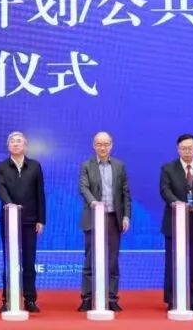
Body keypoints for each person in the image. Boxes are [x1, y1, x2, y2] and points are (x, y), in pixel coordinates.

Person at [78, 131, 131, 312]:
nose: (103, 147)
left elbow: (125, 193)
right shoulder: (87, 165)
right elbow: (83, 187)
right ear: (94, 145)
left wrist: (126, 216)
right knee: (90, 259)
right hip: (93, 217)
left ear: (111, 145)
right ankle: (87, 298)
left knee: (112, 261)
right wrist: (94, 203)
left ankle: (112, 298)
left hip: (113, 218)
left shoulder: (119, 166)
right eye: (99, 144)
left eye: (106, 144)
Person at [159, 134, 193, 313]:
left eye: (190, 148)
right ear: (178, 149)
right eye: (183, 148)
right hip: (174, 221)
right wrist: (176, 202)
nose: (187, 151)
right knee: (173, 263)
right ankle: (173, 300)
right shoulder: (168, 168)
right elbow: (164, 190)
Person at [0, 131, 46, 313]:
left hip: (30, 220)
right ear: (8, 146)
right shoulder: (1, 166)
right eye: (12, 141)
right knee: (9, 260)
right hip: (8, 220)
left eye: (19, 141)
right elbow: (0, 188)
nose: (15, 144)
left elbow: (40, 193)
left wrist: (41, 219)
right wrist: (10, 205)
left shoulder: (35, 166)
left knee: (29, 262)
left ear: (25, 145)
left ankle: (30, 299)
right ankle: (7, 299)